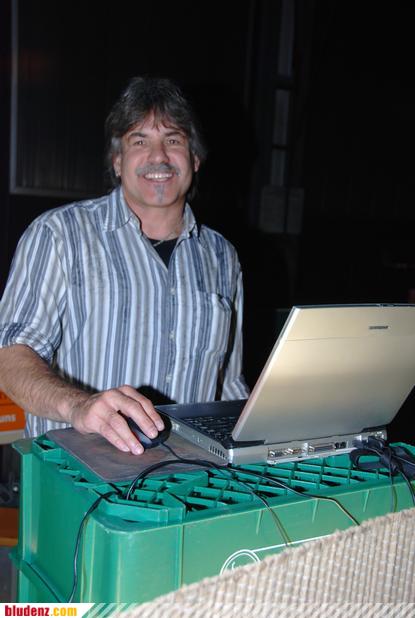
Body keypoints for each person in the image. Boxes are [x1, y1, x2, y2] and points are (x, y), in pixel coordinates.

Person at [0, 76, 249, 455]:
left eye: (173, 140)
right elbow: (10, 356)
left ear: (195, 159)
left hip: (191, 474)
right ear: (117, 161)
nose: (158, 157)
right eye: (139, 141)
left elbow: (228, 384)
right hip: (80, 472)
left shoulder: (222, 256)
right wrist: (78, 406)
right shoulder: (59, 234)